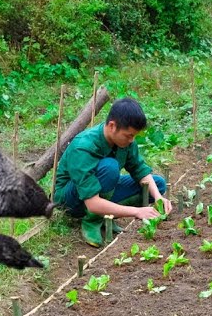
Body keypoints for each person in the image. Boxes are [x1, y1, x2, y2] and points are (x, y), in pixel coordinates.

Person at [54, 97, 171, 247]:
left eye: (134, 136)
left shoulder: (125, 141)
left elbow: (139, 169)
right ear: (112, 126)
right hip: (72, 200)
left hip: (101, 191)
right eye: (129, 135)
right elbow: (92, 203)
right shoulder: (83, 146)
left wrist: (158, 197)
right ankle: (92, 221)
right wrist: (137, 211)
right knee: (110, 167)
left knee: (157, 184)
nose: (132, 140)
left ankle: (106, 215)